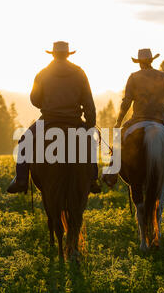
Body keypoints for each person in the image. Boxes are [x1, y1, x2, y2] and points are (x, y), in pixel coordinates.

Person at [7, 41, 101, 194]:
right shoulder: (79, 72)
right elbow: (89, 102)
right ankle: (92, 179)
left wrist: (46, 104)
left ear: (53, 53)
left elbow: (35, 99)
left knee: (24, 141)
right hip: (74, 120)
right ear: (68, 54)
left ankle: (21, 180)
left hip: (49, 120)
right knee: (89, 143)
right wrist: (90, 123)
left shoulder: (43, 73)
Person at [103, 48, 164, 191]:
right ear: (151, 61)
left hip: (138, 118)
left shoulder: (134, 77)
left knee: (119, 137)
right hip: (159, 119)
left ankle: (112, 172)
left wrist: (119, 120)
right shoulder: (162, 76)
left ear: (139, 62)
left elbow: (127, 102)